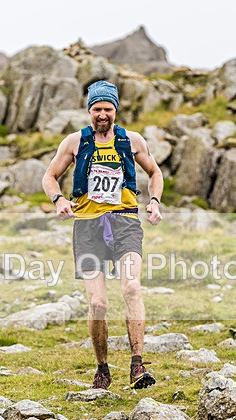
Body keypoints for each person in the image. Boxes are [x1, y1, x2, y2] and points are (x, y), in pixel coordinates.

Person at [42, 80, 164, 390]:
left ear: (115, 110)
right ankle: (102, 367)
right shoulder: (74, 142)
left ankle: (137, 365)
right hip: (87, 226)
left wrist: (154, 201)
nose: (102, 115)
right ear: (89, 111)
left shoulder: (132, 140)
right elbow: (50, 176)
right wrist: (58, 201)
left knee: (132, 288)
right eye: (96, 109)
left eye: (107, 109)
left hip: (124, 222)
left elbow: (155, 172)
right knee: (98, 303)